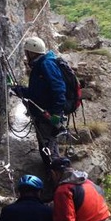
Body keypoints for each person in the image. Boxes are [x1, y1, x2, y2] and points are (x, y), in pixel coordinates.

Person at [10, 36, 67, 165]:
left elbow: (59, 89)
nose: (26, 56)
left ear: (31, 52)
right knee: (45, 145)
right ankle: (52, 173)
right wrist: (17, 89)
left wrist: (56, 114)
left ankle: (58, 177)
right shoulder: (41, 64)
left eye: (26, 53)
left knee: (49, 148)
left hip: (49, 114)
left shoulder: (46, 65)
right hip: (44, 113)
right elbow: (36, 92)